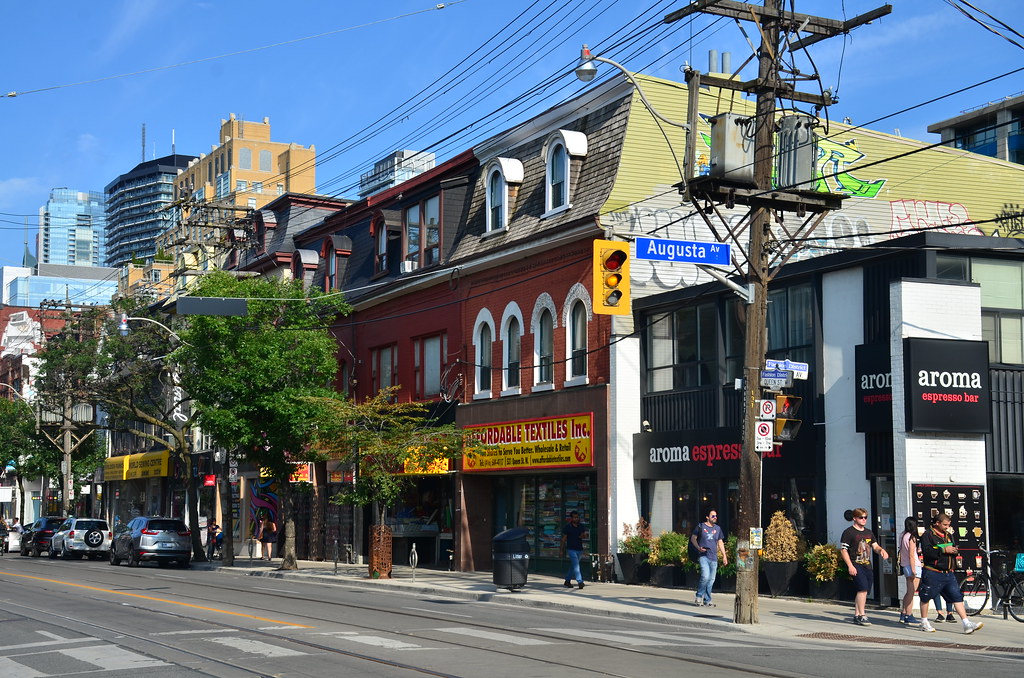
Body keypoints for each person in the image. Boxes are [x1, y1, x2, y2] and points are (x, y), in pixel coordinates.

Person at [918, 512, 983, 634]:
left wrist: (954, 551)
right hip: (933, 571)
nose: (947, 527)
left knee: (956, 596)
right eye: (945, 524)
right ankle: (924, 622)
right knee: (926, 596)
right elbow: (927, 552)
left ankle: (966, 623)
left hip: (948, 573)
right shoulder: (928, 534)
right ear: (937, 523)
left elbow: (952, 548)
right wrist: (943, 549)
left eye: (948, 525)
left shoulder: (948, 535)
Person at [839, 507, 889, 626]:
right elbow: (843, 550)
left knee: (864, 591)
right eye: (861, 517)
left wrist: (881, 550)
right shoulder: (849, 532)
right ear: (855, 518)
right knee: (862, 589)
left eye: (865, 517)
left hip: (867, 565)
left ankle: (856, 615)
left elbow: (875, 546)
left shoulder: (868, 532)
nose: (864, 520)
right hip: (856, 564)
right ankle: (862, 614)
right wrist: (850, 566)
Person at [690, 508, 728, 607]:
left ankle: (707, 599)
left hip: (714, 557)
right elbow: (693, 538)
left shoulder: (718, 529)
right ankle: (699, 596)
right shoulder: (700, 526)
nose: (715, 517)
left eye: (716, 516)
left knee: (711, 580)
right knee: (705, 577)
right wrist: (698, 548)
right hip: (704, 556)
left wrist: (724, 556)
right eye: (713, 516)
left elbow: (720, 542)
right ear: (707, 517)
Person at [898, 517, 921, 625]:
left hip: (905, 565)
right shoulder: (911, 537)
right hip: (913, 566)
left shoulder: (902, 535)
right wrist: (913, 570)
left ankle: (903, 613)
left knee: (909, 591)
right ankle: (908, 614)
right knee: (911, 592)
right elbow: (912, 555)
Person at [561, 511, 588, 590]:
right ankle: (580, 581)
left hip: (579, 549)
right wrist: (561, 550)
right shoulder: (568, 527)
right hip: (571, 549)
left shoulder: (581, 526)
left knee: (573, 566)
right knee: (576, 565)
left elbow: (583, 536)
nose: (576, 519)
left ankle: (567, 580)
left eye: (577, 517)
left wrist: (583, 536)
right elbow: (563, 539)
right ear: (571, 518)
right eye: (574, 517)